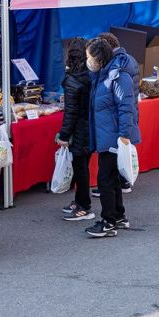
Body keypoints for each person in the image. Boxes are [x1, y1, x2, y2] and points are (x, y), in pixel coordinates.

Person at [84, 37, 140, 238]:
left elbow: (126, 107)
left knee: (105, 179)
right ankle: (118, 216)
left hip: (114, 136)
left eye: (89, 57)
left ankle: (108, 222)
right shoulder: (103, 74)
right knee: (112, 178)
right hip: (107, 135)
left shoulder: (117, 76)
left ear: (98, 57)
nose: (87, 61)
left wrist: (124, 135)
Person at [96, 32, 139, 195]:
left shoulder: (118, 67)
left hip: (120, 116)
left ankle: (119, 185)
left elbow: (122, 100)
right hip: (129, 112)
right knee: (120, 154)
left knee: (114, 158)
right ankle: (124, 181)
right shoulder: (129, 59)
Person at [57, 38, 94, 220]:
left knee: (80, 168)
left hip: (80, 130)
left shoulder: (73, 80)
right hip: (91, 128)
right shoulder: (92, 74)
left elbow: (70, 112)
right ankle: (79, 200)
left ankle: (84, 206)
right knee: (83, 167)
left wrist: (64, 135)